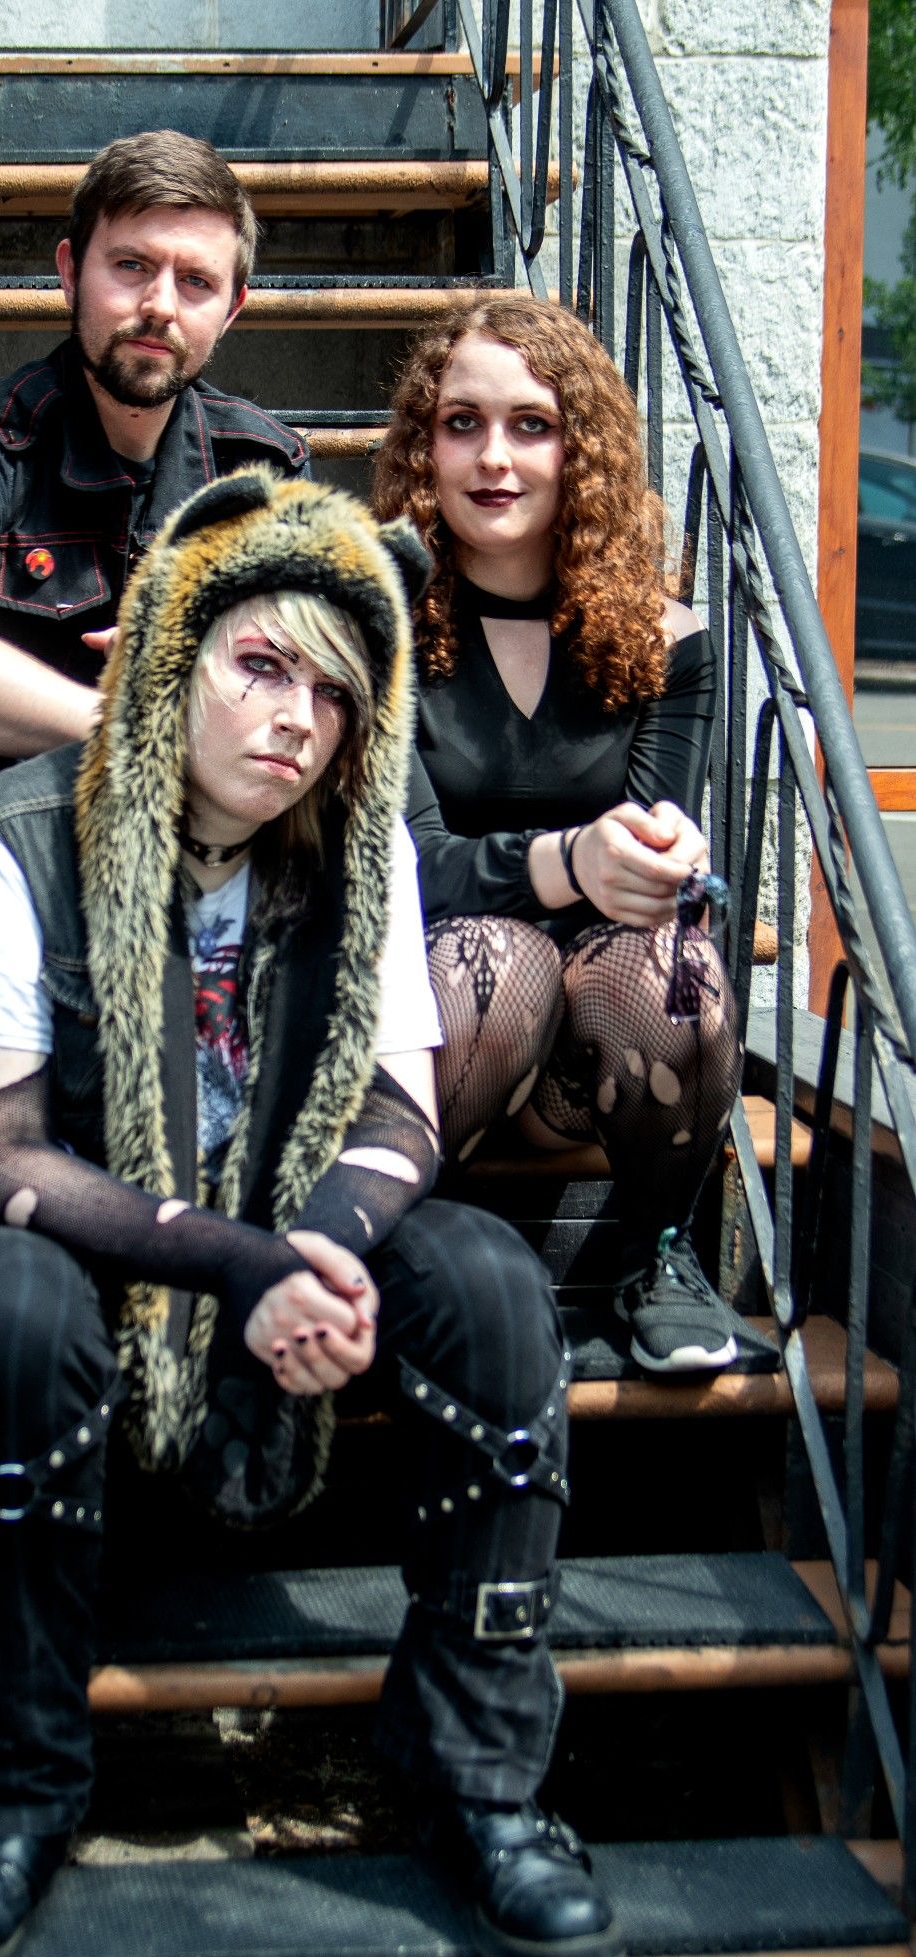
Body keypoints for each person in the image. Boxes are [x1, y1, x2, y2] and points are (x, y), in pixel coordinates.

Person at [0, 470, 622, 1957]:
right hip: (85, 1241)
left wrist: (323, 1248)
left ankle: (478, 1776)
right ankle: (7, 1796)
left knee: (487, 1284)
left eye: (333, 695)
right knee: (2, 1299)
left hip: (286, 1232)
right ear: (171, 660)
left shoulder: (360, 854)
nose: (293, 718)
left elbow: (402, 1120)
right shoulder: (10, 840)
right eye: (258, 667)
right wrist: (252, 1264)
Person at [0, 128, 306, 1186]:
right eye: (132, 266)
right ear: (72, 271)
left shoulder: (263, 466)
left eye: (194, 279)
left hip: (195, 858)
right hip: (19, 867)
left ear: (230, 308)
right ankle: (2, 1059)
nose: (160, 302)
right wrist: (135, 711)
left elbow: (298, 694)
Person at [372, 295, 743, 1376]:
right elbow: (410, 868)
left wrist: (661, 859)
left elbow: (650, 863)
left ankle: (654, 1250)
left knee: (674, 968)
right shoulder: (376, 622)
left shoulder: (667, 642)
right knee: (503, 961)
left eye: (531, 424)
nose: (494, 457)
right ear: (421, 446)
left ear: (580, 447)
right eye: (461, 423)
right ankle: (381, 1244)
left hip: (598, 1047)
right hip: (446, 1018)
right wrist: (567, 859)